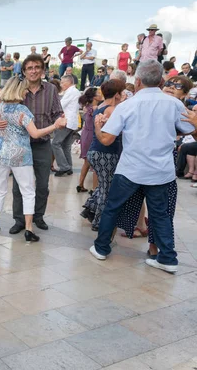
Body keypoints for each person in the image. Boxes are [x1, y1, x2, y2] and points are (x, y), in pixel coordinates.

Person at [89, 60, 196, 273]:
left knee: (112, 207)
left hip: (131, 168)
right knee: (160, 214)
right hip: (161, 171)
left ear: (137, 81)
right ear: (160, 80)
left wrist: (97, 127)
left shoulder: (127, 105)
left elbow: (107, 140)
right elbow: (191, 130)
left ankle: (101, 248)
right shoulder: (174, 104)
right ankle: (167, 258)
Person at [118, 75, 194, 258]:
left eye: (177, 86)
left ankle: (155, 246)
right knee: (130, 200)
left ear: (184, 94)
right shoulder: (151, 103)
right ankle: (132, 231)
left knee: (162, 209)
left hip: (164, 163)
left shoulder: (183, 111)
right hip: (137, 161)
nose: (170, 87)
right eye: (168, 83)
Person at [0, 77, 65, 240]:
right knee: (28, 191)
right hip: (20, 155)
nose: (27, 91)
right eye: (25, 89)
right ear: (19, 90)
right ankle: (29, 229)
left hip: (0, 154)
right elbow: (35, 133)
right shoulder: (23, 111)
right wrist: (54, 126)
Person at [80, 79, 126, 230]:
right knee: (107, 188)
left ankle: (90, 208)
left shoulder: (100, 106)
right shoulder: (112, 110)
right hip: (106, 152)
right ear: (117, 94)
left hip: (95, 151)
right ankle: (99, 222)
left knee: (104, 184)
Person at [52, 75, 80, 176]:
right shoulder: (74, 91)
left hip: (66, 121)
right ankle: (69, 167)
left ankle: (64, 167)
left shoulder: (71, 91)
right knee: (65, 146)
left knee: (55, 143)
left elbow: (60, 105)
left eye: (63, 82)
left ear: (69, 82)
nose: (61, 84)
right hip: (71, 121)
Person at [77, 87, 102, 193]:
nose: (101, 94)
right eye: (99, 93)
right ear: (94, 97)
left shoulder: (86, 107)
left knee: (87, 162)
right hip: (92, 135)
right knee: (96, 164)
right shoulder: (97, 108)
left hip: (85, 134)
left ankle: (80, 184)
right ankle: (94, 188)